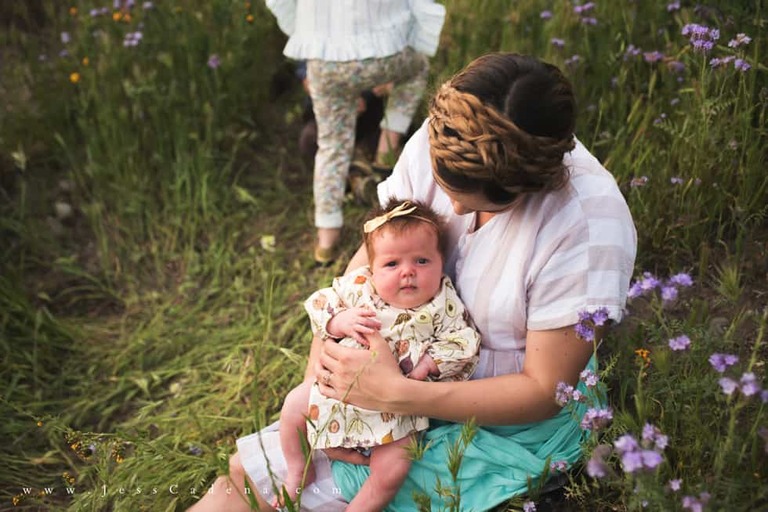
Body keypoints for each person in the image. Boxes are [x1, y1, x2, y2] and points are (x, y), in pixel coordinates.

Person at [188, 52, 637, 512]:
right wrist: (328, 389)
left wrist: (402, 396)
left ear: (529, 186)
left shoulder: (585, 225)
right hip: (392, 377)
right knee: (244, 474)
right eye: (448, 190)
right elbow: (373, 253)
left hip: (498, 418)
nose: (455, 214)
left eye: (477, 202)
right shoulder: (445, 136)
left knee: (294, 495)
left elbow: (544, 389)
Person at [274, 199, 480, 510]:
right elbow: (320, 303)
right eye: (392, 264)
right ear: (372, 268)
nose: (408, 272)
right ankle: (297, 470)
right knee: (292, 408)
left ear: (442, 262)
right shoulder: (359, 288)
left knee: (394, 467)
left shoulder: (443, 303)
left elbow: (464, 341)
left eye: (422, 261)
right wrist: (339, 320)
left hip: (397, 408)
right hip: (340, 388)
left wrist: (430, 364)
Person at [265, 0, 446, 265]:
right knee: (417, 67)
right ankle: (386, 148)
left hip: (325, 60)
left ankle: (326, 240)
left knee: (331, 146)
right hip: (384, 55)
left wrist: (305, 29)